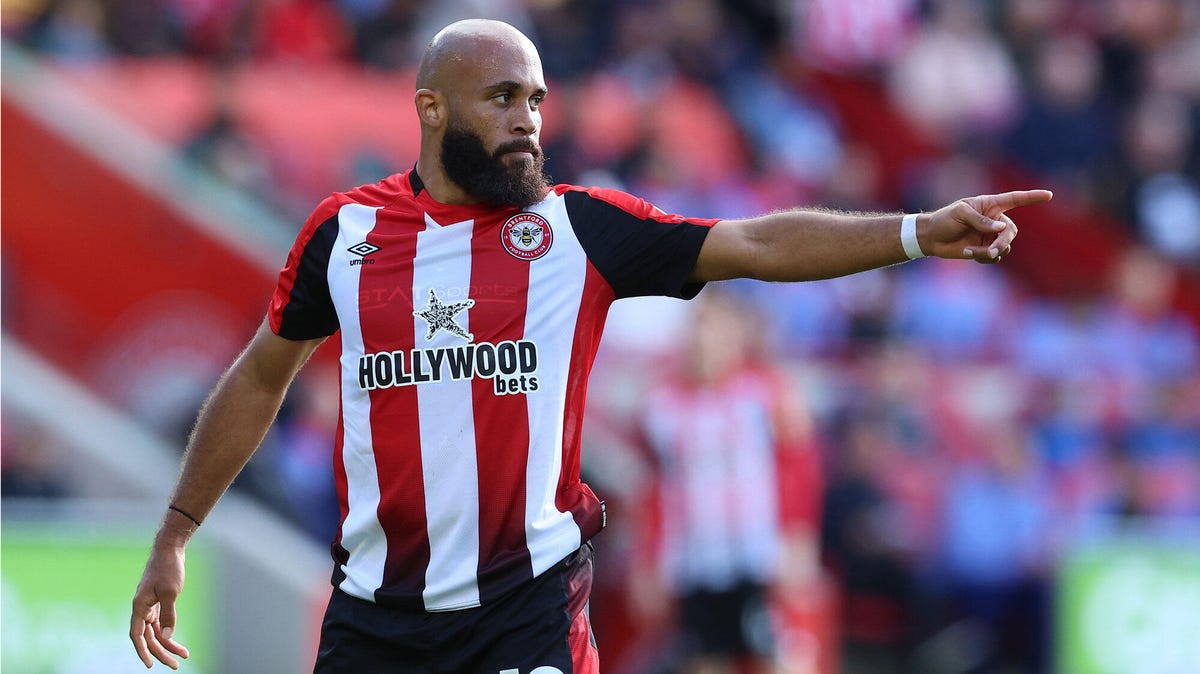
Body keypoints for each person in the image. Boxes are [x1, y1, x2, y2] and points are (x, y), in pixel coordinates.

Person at [129, 18, 1051, 673]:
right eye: (501, 98)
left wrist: (916, 231)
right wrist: (176, 534)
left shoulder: (580, 233)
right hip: (377, 617)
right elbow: (259, 379)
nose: (527, 117)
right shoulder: (346, 233)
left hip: (524, 613)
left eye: (534, 97)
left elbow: (754, 244)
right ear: (431, 108)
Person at [628, 288, 823, 673]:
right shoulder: (661, 405)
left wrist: (799, 534)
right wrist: (647, 559)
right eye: (697, 329)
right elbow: (652, 488)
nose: (703, 342)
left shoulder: (767, 392)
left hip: (759, 555)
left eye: (714, 330)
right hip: (694, 559)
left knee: (782, 657)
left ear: (735, 336)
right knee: (704, 660)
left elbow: (799, 468)